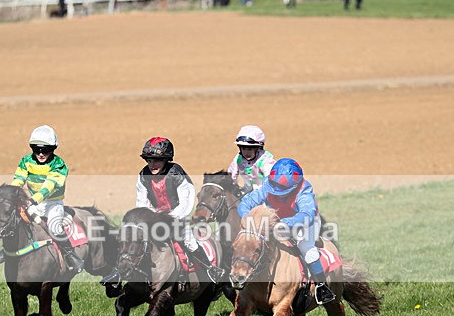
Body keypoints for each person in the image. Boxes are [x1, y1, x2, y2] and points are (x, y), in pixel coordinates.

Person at [237, 158, 335, 304]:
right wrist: (246, 216)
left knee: (306, 248)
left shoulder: (304, 191)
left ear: (294, 186)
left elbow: (307, 215)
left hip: (307, 223)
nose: (275, 192)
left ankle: (322, 287)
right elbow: (247, 202)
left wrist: (286, 223)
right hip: (279, 221)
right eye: (274, 187)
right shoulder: (268, 185)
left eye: (281, 190)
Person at [136, 136, 224, 281]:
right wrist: (149, 218)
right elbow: (141, 202)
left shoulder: (177, 174)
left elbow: (185, 204)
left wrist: (168, 219)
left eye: (156, 160)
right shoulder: (143, 175)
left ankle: (210, 269)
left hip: (177, 217)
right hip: (154, 217)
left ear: (166, 159)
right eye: (149, 160)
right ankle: (121, 273)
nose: (152, 165)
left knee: (188, 241)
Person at [5, 125, 84, 272]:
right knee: (13, 221)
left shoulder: (59, 165)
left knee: (55, 227)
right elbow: (18, 179)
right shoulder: (26, 161)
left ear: (53, 148)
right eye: (36, 149)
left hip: (53, 204)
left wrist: (34, 199)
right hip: (33, 202)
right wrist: (12, 194)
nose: (41, 154)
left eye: (46, 150)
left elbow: (50, 186)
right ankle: (7, 250)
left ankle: (70, 255)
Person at [227, 125, 276, 194]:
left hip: (264, 194)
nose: (246, 152)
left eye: (250, 149)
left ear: (258, 148)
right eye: (243, 148)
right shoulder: (238, 158)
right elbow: (231, 175)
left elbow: (271, 179)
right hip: (245, 192)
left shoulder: (265, 160)